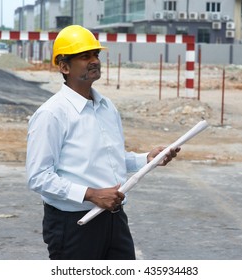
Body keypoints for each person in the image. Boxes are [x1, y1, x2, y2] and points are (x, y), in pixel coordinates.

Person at [26, 25, 180, 260]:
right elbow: (38, 177)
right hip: (74, 225)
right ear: (64, 67)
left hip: (114, 219)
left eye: (96, 55)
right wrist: (90, 194)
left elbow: (112, 157)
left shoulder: (107, 107)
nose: (94, 61)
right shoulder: (52, 114)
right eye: (85, 56)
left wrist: (147, 159)